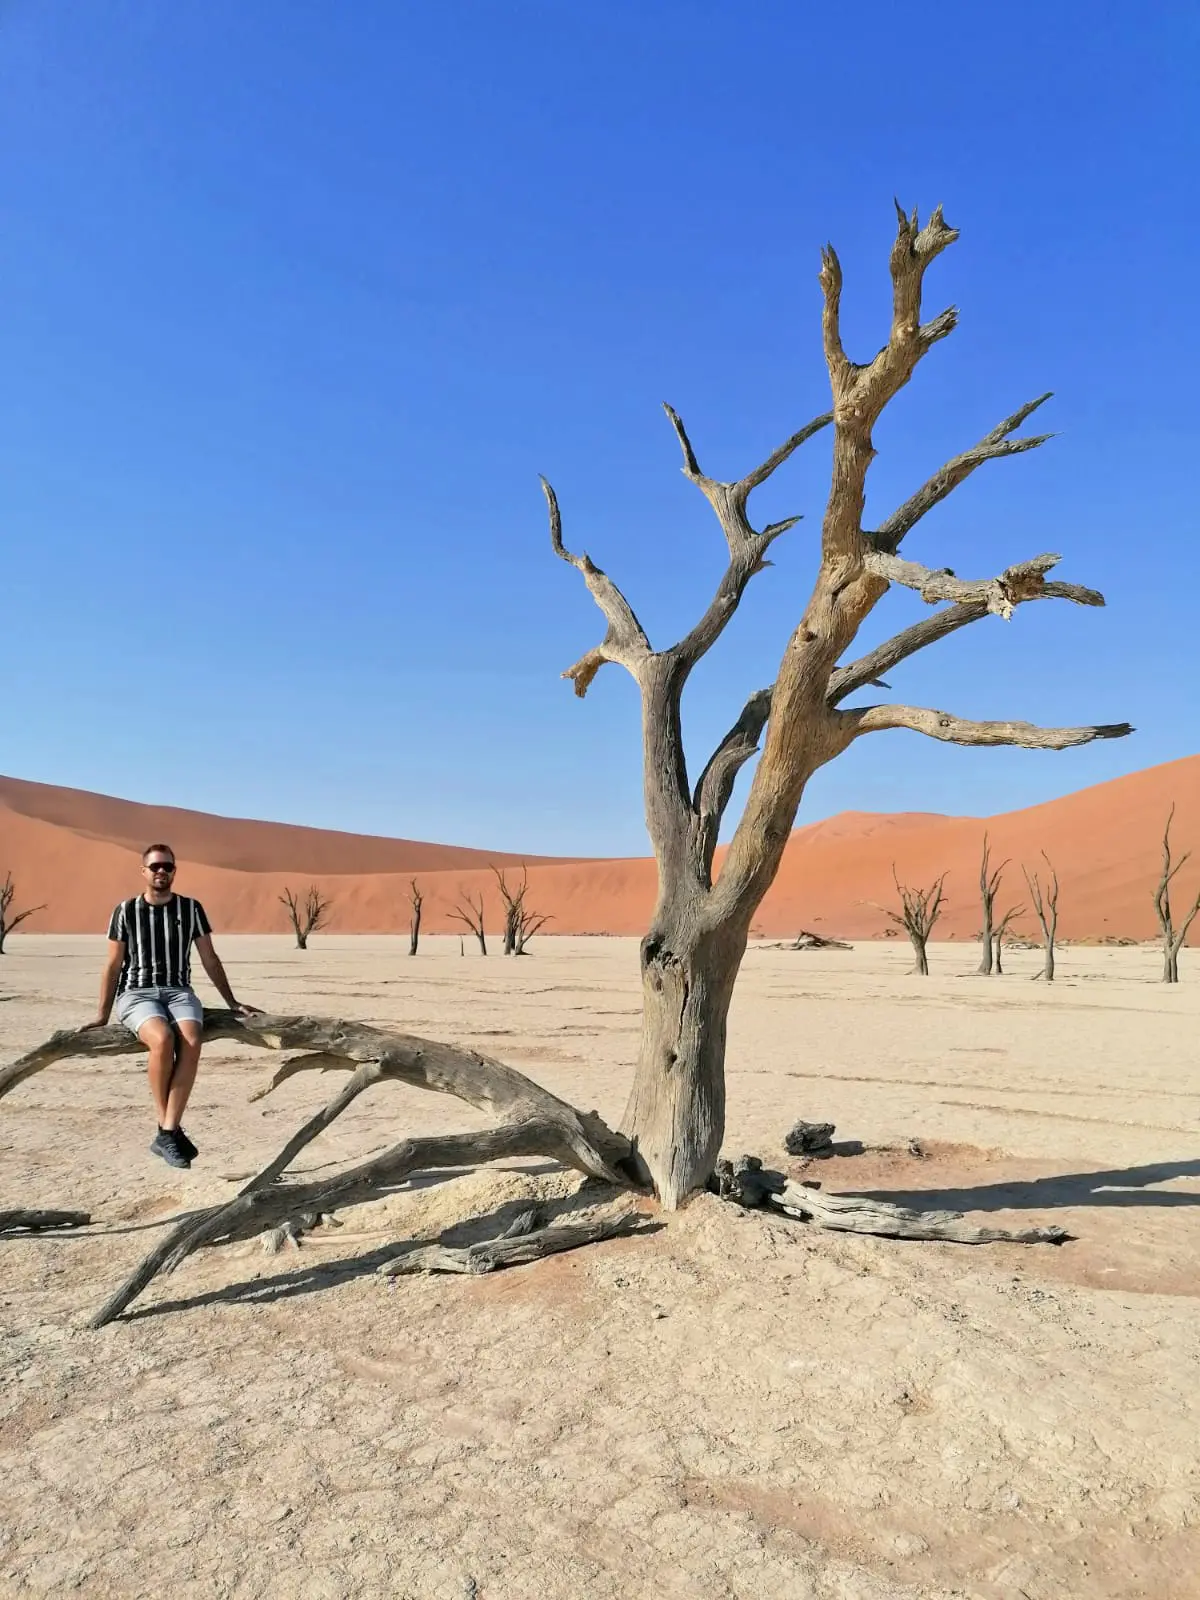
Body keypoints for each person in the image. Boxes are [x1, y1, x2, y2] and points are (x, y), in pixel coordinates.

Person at [88, 844, 259, 1169]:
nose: (161, 872)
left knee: (192, 1041)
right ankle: (167, 1128)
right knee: (163, 1040)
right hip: (137, 993)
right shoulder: (125, 911)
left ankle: (167, 1131)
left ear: (174, 870)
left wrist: (232, 1002)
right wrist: (102, 1014)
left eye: (167, 866)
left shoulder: (191, 909)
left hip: (178, 991)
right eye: (155, 867)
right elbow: (113, 965)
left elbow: (210, 957)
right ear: (144, 872)